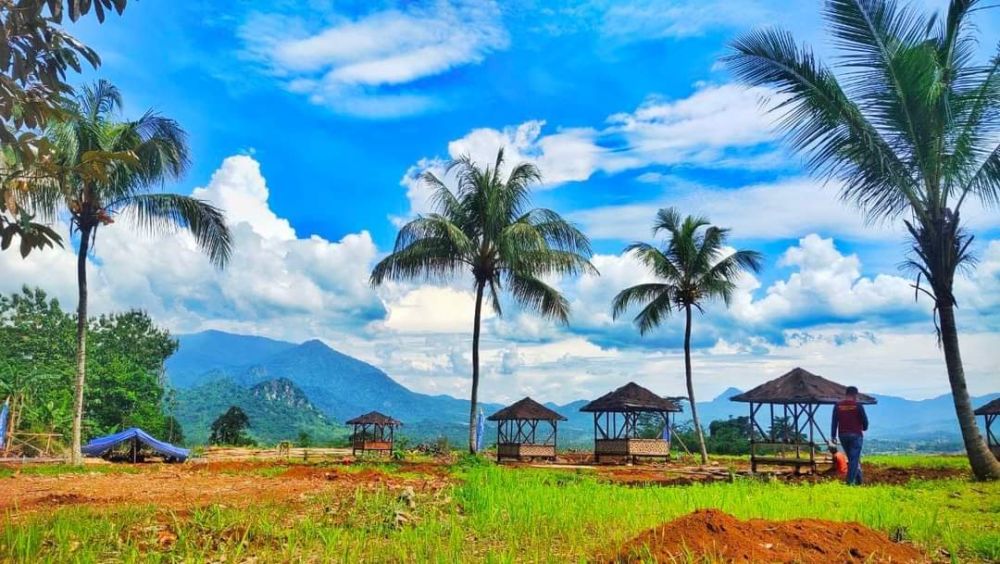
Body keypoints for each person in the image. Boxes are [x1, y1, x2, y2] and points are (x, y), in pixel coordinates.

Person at [831, 385, 868, 485]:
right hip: (856, 435)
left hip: (842, 435)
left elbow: (834, 422)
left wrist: (833, 436)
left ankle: (859, 481)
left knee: (853, 459)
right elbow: (865, 421)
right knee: (854, 459)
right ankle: (849, 482)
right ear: (855, 395)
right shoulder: (858, 406)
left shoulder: (838, 406)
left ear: (846, 394)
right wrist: (864, 428)